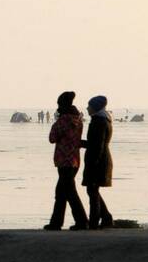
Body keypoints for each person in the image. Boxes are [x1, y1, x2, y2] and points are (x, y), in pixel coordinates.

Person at [45, 91, 88, 230]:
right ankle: (57, 222)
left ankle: (80, 221)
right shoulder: (78, 120)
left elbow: (52, 138)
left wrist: (56, 122)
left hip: (63, 160)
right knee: (63, 191)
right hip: (74, 160)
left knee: (67, 192)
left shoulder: (63, 121)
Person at [81, 95, 114, 229]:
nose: (87, 108)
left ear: (95, 107)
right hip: (102, 158)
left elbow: (97, 145)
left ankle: (94, 221)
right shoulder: (104, 119)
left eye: (89, 106)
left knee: (92, 190)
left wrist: (93, 162)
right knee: (93, 190)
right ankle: (106, 217)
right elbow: (97, 143)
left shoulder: (99, 122)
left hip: (98, 160)